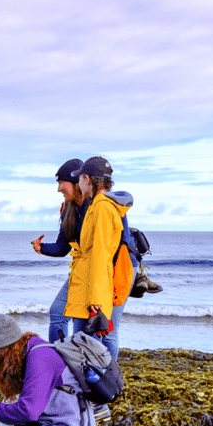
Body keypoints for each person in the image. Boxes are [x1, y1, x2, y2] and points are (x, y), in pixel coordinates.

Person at [64, 156, 134, 364]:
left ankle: (101, 382)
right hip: (86, 289)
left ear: (87, 180)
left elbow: (101, 255)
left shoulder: (102, 208)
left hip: (92, 295)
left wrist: (96, 299)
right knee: (83, 350)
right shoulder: (96, 205)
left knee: (88, 353)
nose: (78, 184)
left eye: (80, 179)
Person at [30, 159, 88, 342]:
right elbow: (63, 247)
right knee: (57, 312)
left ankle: (90, 359)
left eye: (61, 183)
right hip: (81, 270)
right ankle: (57, 354)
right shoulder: (68, 209)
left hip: (98, 271)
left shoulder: (96, 206)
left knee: (85, 324)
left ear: (76, 183)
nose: (58, 189)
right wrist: (42, 248)